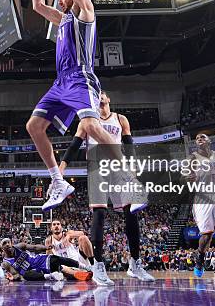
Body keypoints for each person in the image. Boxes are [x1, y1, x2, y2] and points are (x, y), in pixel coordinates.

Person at [28, 0, 122, 213]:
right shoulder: (63, 19)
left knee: (92, 128)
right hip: (60, 82)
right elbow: (36, 5)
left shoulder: (85, 10)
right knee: (34, 127)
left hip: (81, 78)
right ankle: (58, 181)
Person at [59, 91, 152, 285]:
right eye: (96, 94)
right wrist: (62, 167)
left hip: (118, 167)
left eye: (103, 94)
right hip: (96, 165)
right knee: (99, 214)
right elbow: (75, 145)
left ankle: (135, 264)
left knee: (131, 214)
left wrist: (133, 167)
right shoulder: (87, 120)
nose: (100, 96)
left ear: (108, 99)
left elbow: (129, 145)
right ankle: (98, 265)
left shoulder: (121, 119)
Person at [185, 133, 215, 283]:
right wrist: (188, 178)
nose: (199, 139)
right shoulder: (192, 158)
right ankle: (199, 260)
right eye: (197, 138)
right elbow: (183, 177)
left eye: (203, 137)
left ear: (209, 140)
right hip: (202, 199)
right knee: (206, 236)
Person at [0, 238, 85, 282]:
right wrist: (13, 278)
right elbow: (17, 275)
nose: (7, 244)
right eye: (4, 243)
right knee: (24, 274)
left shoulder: (19, 246)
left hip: (40, 261)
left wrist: (46, 247)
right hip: (34, 272)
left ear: (11, 243)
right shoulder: (6, 263)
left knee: (56, 259)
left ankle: (83, 266)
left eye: (8, 242)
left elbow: (35, 247)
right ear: (1, 248)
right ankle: (51, 276)